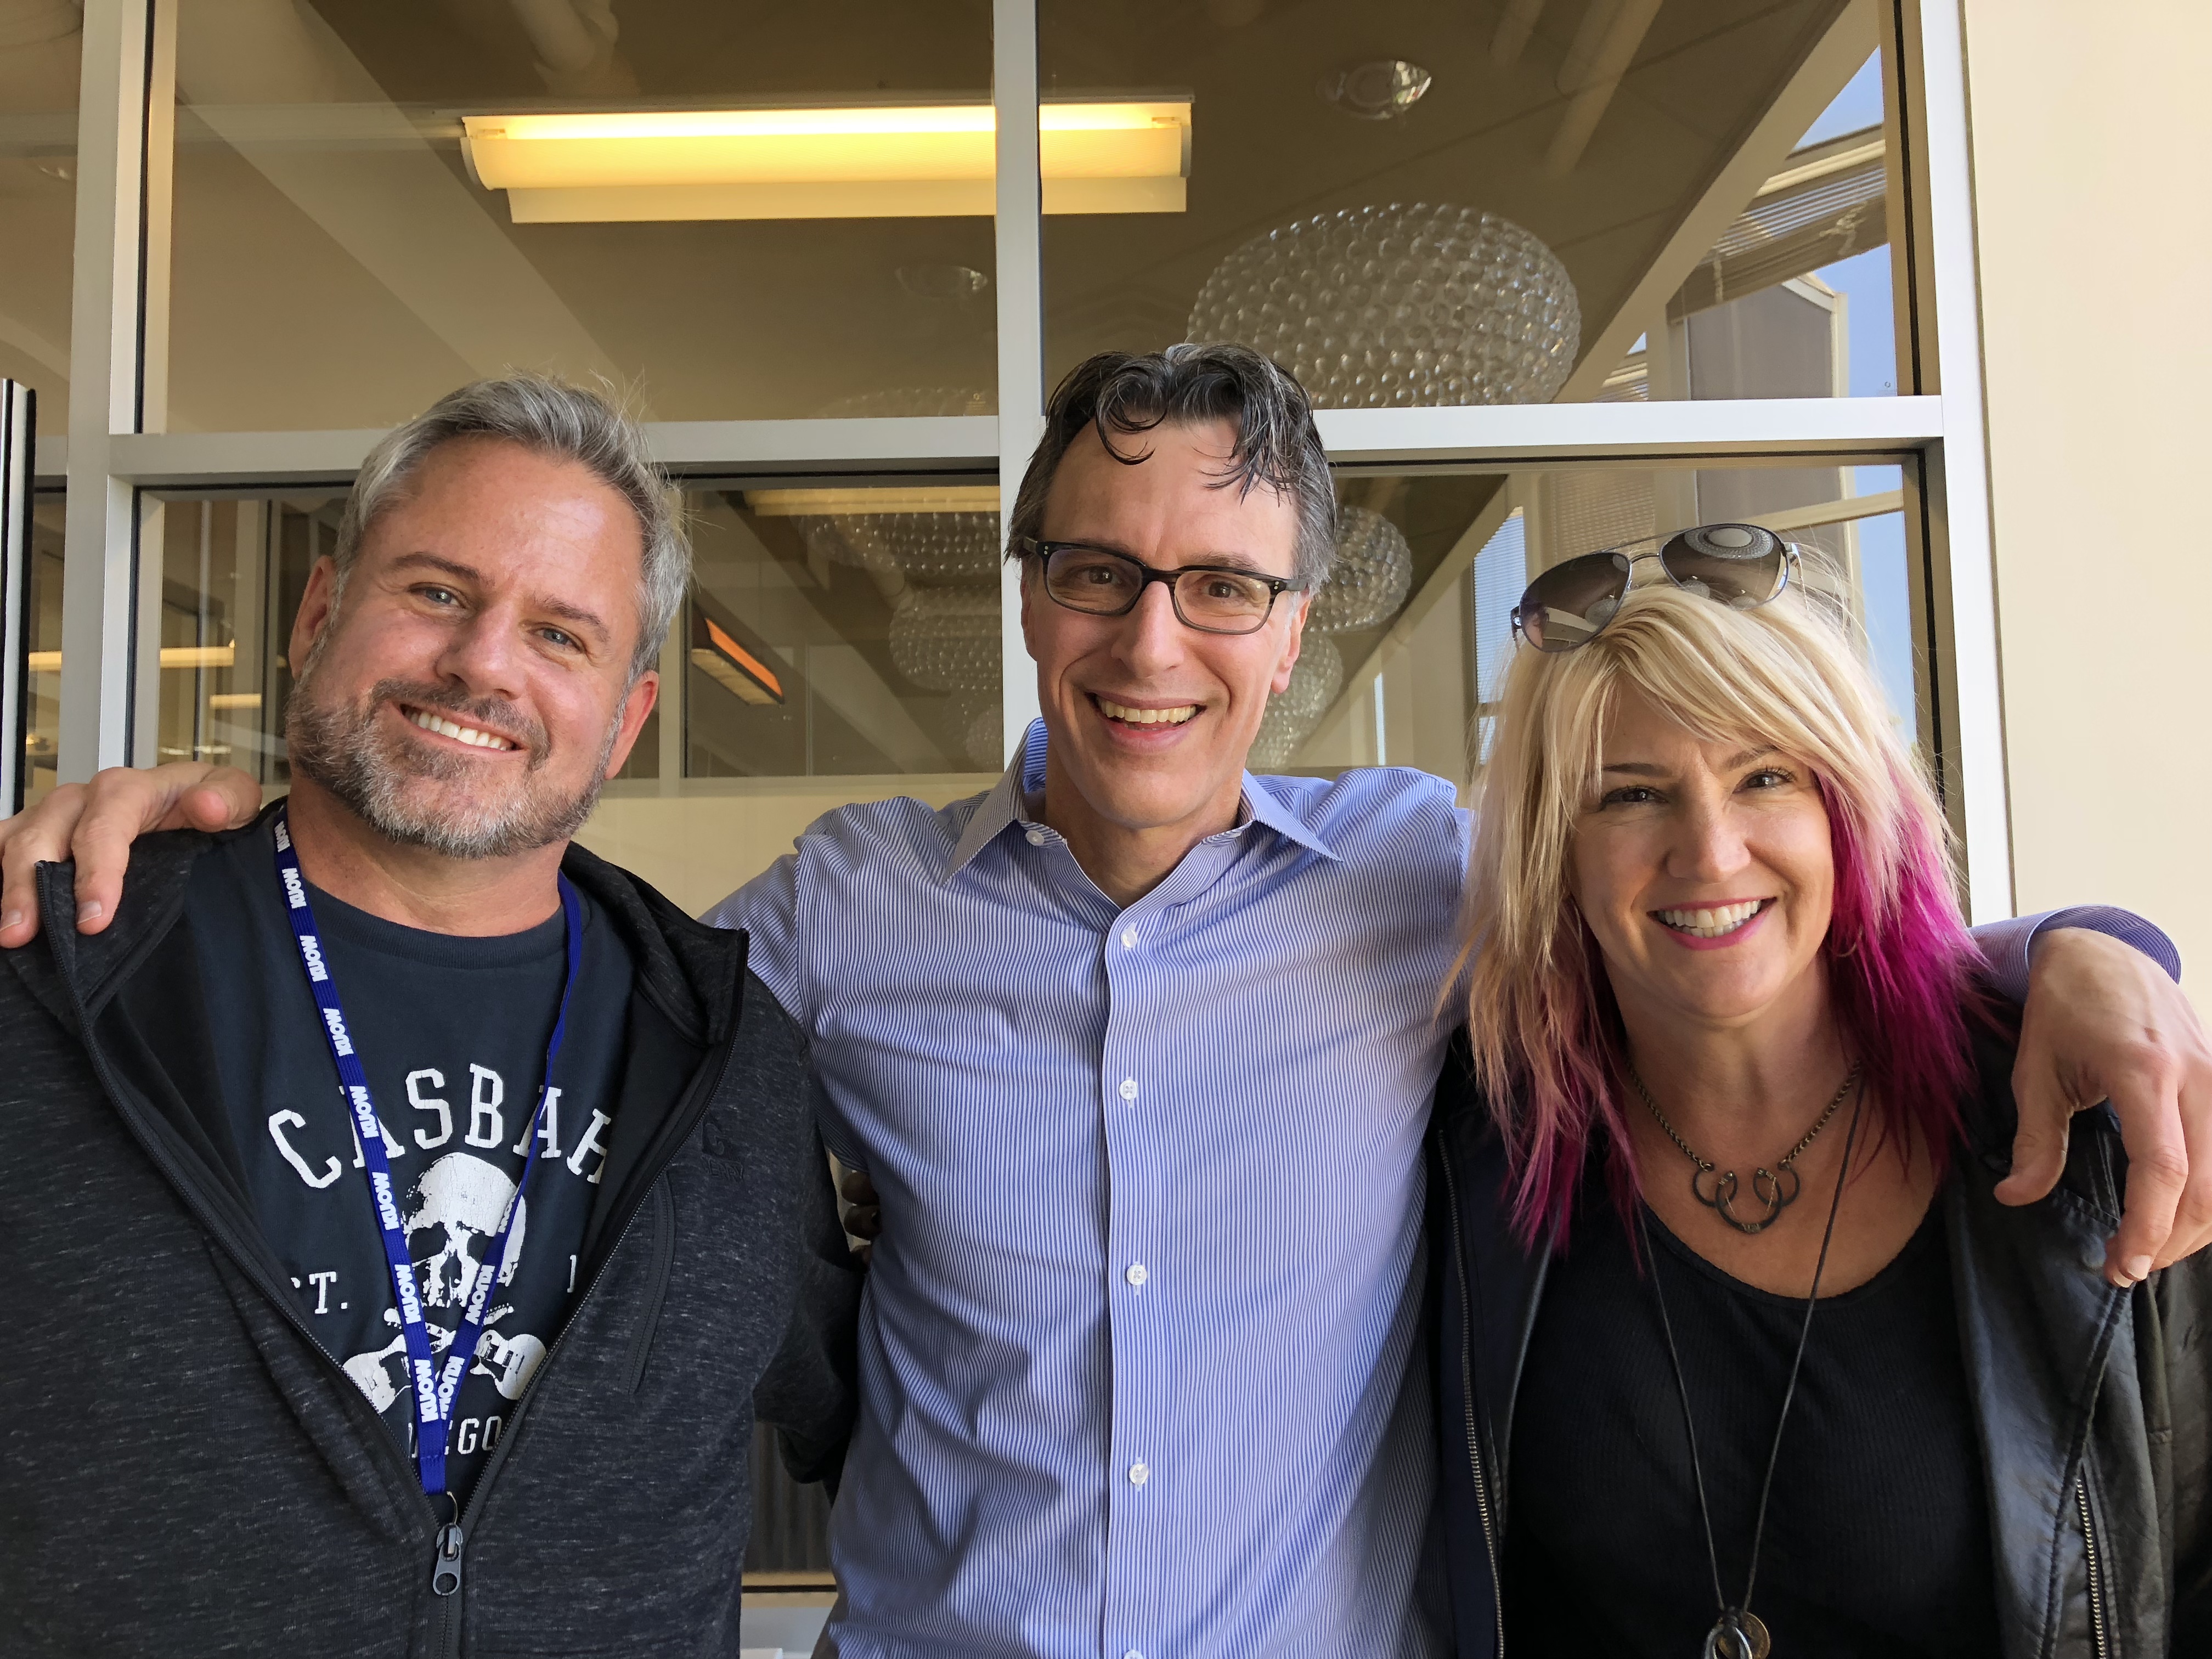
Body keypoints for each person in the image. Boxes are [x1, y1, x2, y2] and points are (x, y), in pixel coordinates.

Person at [7, 348, 2208, 1658]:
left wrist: (2081, 953)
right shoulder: (853, 910)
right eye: (1096, 571)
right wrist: (257, 811)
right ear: (1033, 593)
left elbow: (1740, 913)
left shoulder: (1438, 878)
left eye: (1220, 585)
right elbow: (524, 937)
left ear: (1298, 621)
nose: (1153, 644)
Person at [0, 376, 860, 1657]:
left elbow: (901, 1409)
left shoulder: (731, 1061)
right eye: (438, 593)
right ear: (318, 614)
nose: (484, 662)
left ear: (625, 722)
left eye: (563, 634)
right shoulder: (57, 974)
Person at [1430, 534, 2210, 1657]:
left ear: (1851, 809)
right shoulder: (1473, 1146)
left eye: (1765, 777)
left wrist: (2089, 946)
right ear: (1557, 856)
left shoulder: (2090, 1135)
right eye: (1632, 795)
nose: (1710, 853)